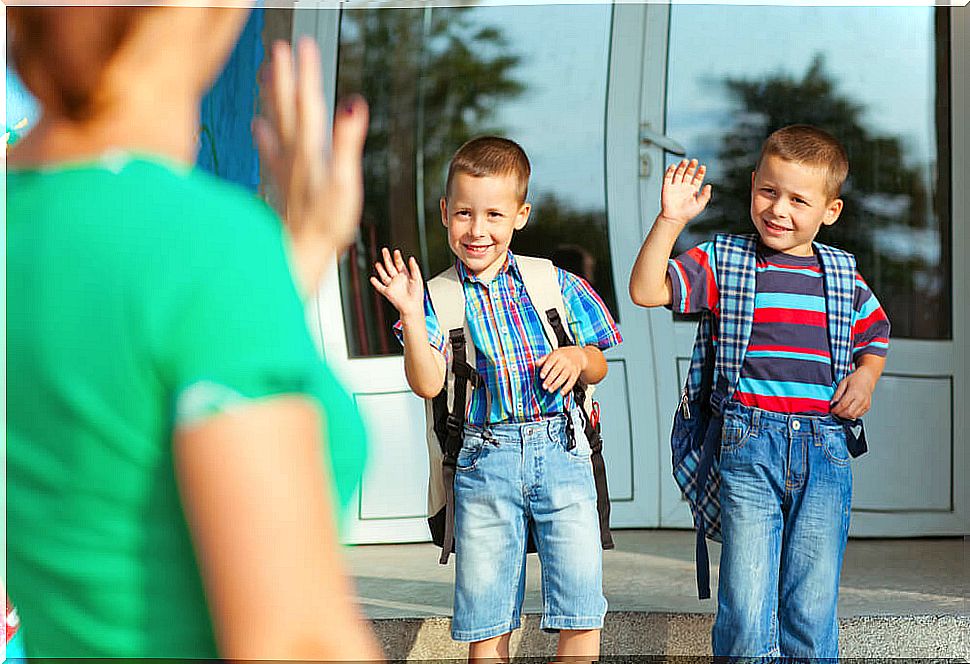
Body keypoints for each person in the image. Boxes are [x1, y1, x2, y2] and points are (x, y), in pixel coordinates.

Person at [6, 7, 381, 660]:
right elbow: (295, 643)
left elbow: (121, 385)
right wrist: (248, 262)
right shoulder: (207, 248)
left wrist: (302, 252)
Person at [629, 125, 890, 657]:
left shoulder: (842, 274)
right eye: (769, 191)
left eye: (799, 200)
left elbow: (875, 337)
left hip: (825, 452)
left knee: (811, 605)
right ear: (752, 185)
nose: (779, 209)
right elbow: (645, 290)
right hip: (748, 443)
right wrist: (670, 221)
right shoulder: (724, 260)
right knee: (747, 603)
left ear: (830, 211)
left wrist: (865, 378)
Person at [370, 136, 621, 661]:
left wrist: (577, 358)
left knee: (579, 609)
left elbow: (598, 360)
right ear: (444, 213)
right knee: (487, 621)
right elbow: (427, 383)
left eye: (493, 214)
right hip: (484, 461)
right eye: (464, 213)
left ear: (520, 215)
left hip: (563, 452)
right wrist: (413, 319)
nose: (477, 229)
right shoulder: (437, 297)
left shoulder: (553, 282)